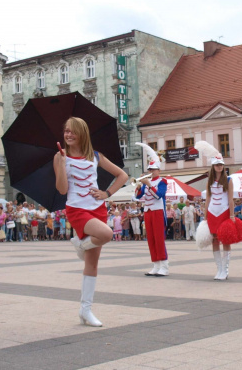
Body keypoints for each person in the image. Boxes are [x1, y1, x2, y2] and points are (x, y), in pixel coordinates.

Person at [54, 117, 128, 327]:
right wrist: (60, 163)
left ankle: (85, 310)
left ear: (82, 134)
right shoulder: (61, 157)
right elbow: (61, 189)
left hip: (97, 208)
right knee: (106, 234)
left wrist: (107, 193)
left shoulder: (95, 156)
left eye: (72, 132)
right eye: (66, 131)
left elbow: (122, 175)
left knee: (92, 263)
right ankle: (79, 243)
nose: (68, 135)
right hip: (77, 209)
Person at [195, 140, 235, 281]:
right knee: (215, 241)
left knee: (225, 240)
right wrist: (205, 217)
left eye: (221, 165)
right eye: (217, 165)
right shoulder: (209, 181)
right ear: (213, 166)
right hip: (212, 213)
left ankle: (225, 269)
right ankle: (218, 269)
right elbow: (208, 200)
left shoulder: (229, 180)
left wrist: (232, 215)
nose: (219, 167)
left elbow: (231, 199)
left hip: (224, 212)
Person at [135, 142, 169, 276]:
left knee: (159, 239)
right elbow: (138, 197)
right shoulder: (147, 182)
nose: (151, 172)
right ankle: (156, 265)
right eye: (150, 170)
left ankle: (164, 266)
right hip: (148, 212)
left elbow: (159, 196)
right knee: (151, 239)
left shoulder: (163, 181)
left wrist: (148, 184)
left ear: (159, 170)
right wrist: (138, 188)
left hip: (158, 212)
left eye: (153, 169)